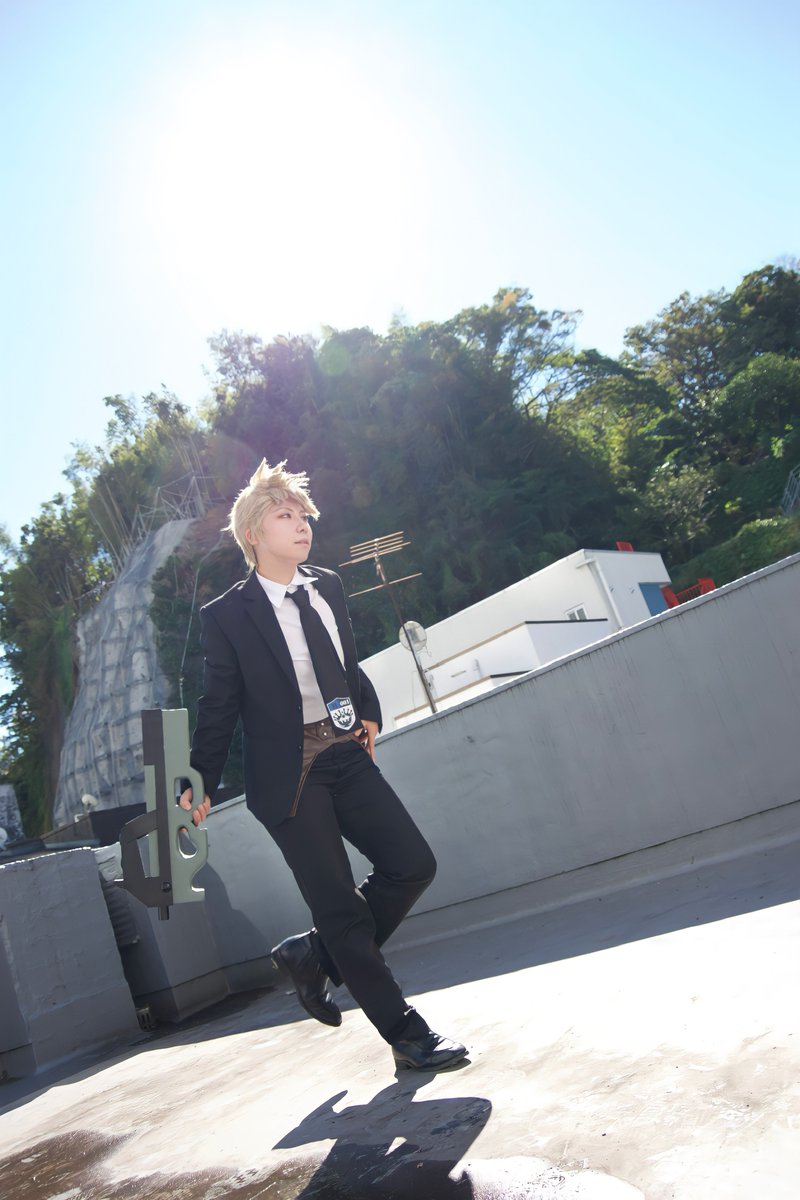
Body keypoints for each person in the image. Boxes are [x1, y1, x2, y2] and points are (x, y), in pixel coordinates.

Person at [180, 459, 466, 1071]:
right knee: (339, 906)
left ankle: (315, 955)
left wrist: (368, 711)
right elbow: (219, 703)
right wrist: (198, 777)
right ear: (254, 533)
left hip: (345, 750)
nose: (301, 524)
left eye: (303, 514)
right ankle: (406, 1035)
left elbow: (344, 660)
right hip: (289, 776)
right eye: (285, 515)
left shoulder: (328, 585)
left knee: (412, 864)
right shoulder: (228, 615)